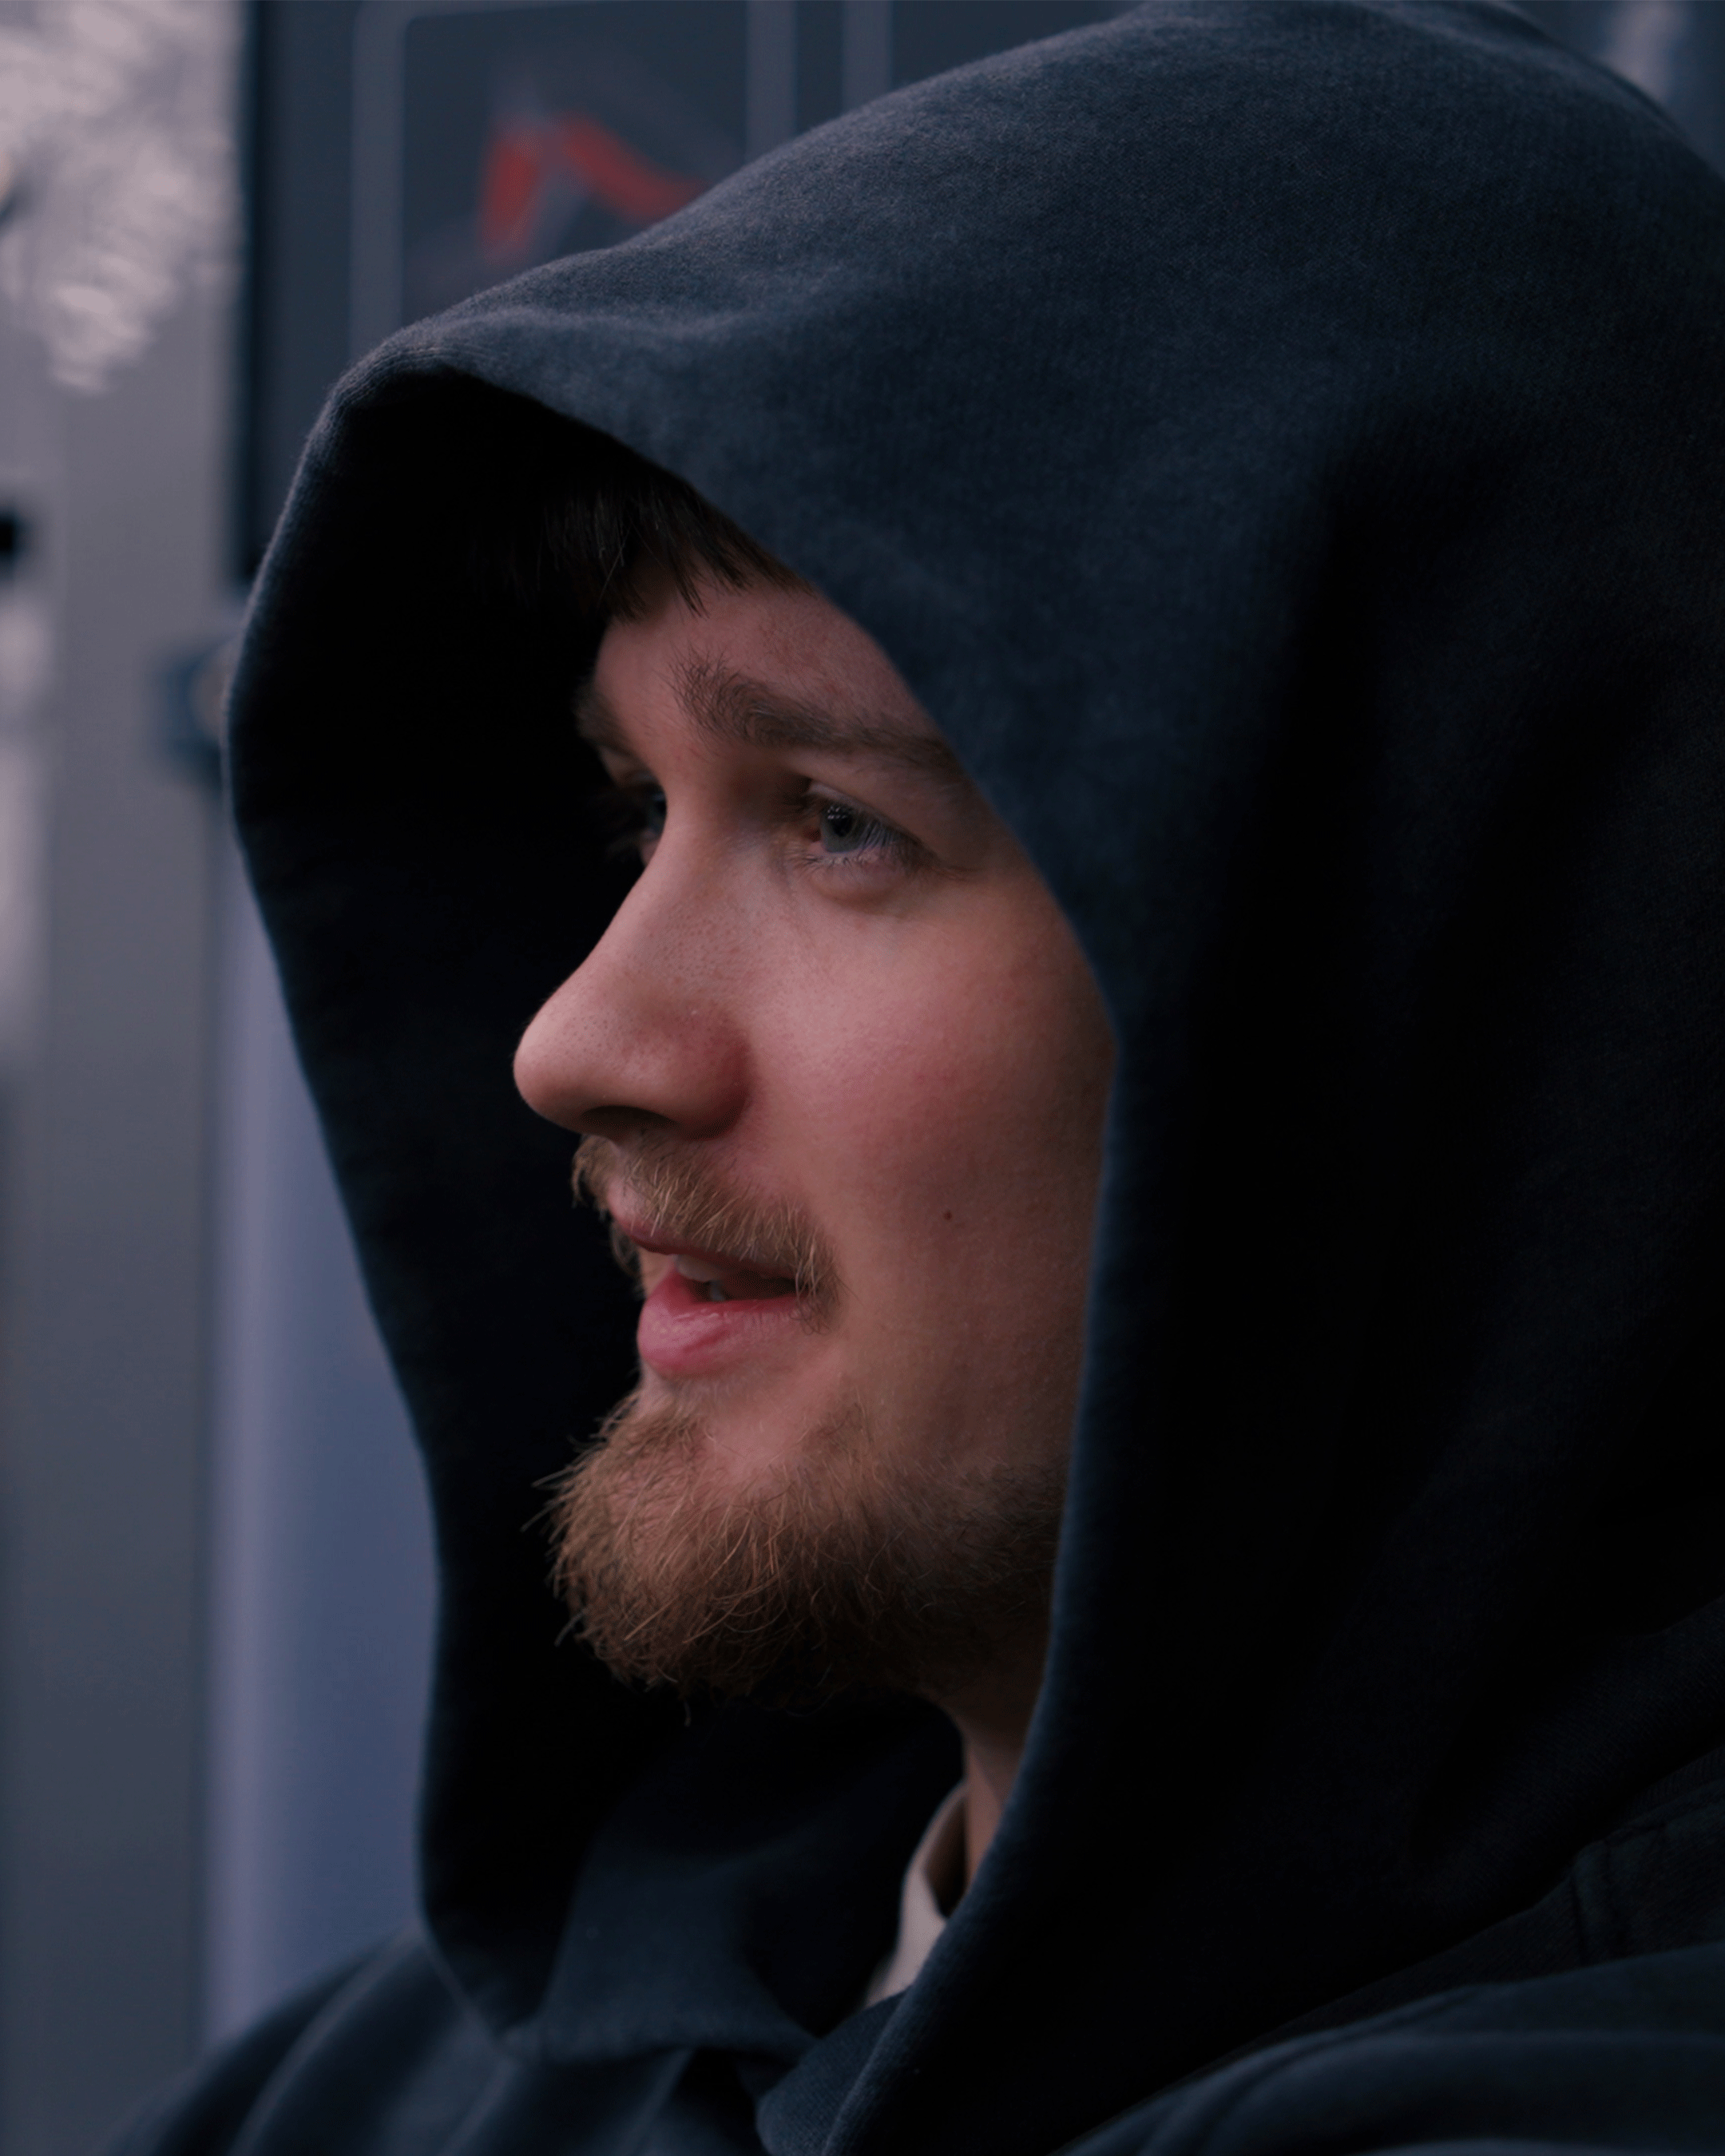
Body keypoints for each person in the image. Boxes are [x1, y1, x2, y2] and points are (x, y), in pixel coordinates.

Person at [119, 4, 1725, 2154]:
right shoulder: (439, 2074)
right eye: (630, 810)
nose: (574, 1038)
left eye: (837, 822)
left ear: (1416, 980)